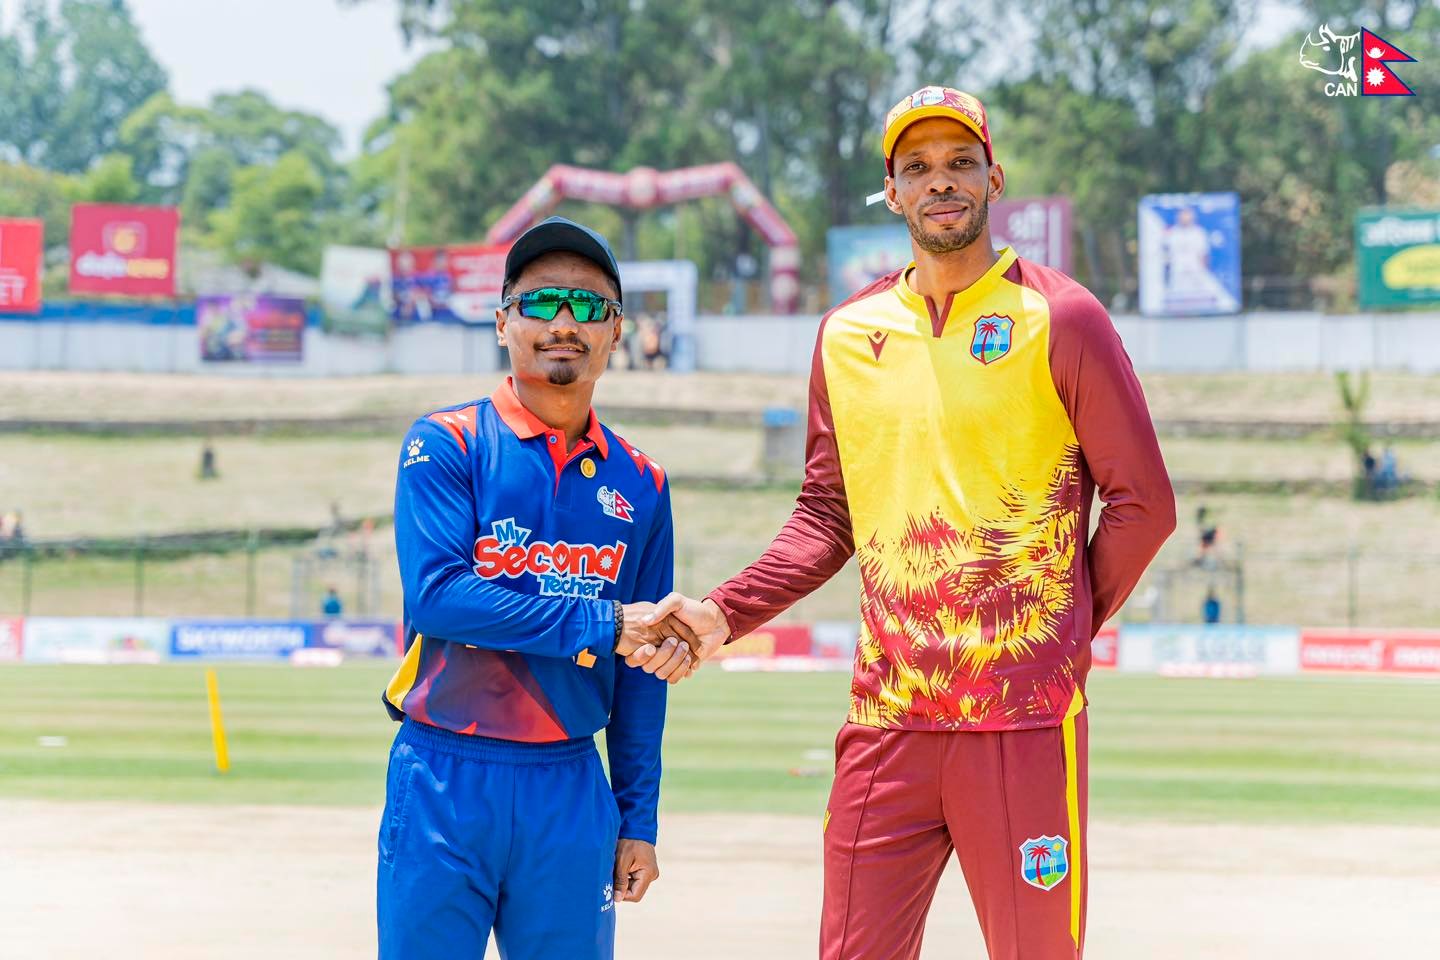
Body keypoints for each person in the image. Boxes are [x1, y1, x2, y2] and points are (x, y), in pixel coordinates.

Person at [635, 86, 1176, 959]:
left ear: (994, 178)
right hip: (887, 721)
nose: (941, 181)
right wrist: (722, 613)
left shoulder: (1062, 317)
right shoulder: (847, 335)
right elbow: (826, 516)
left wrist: (1062, 626)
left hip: (1021, 718)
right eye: (917, 168)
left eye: (961, 162)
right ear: (892, 192)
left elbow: (1145, 504)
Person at [377, 216, 697, 960]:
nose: (563, 323)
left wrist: (638, 817)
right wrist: (602, 624)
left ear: (616, 332)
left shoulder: (643, 483)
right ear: (503, 324)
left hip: (569, 786)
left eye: (588, 306)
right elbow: (439, 597)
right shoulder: (447, 442)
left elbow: (643, 669)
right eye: (541, 302)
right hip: (444, 774)